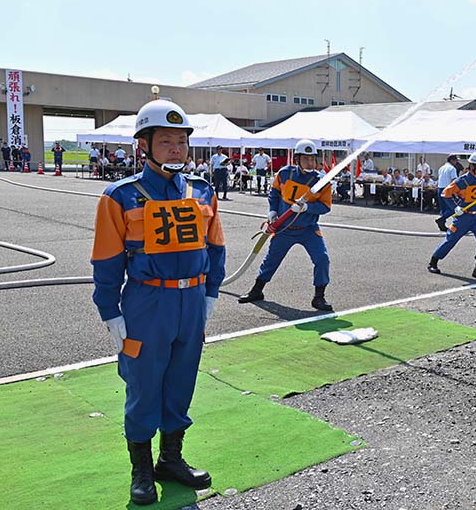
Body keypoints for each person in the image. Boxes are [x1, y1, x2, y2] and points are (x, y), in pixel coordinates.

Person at [90, 99, 225, 505]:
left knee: (182, 381)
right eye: (165, 141)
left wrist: (211, 293)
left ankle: (171, 458)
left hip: (191, 300)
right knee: (144, 386)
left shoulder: (202, 190)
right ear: (142, 146)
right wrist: (110, 311)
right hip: (148, 303)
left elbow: (215, 246)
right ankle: (142, 470)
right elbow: (107, 260)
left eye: (181, 141)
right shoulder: (121, 197)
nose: (176, 149)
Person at [238, 139, 333, 312]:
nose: (310, 162)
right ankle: (257, 290)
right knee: (271, 260)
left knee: (322, 259)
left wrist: (307, 207)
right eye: (306, 159)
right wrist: (272, 212)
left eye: (313, 159)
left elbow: (326, 207)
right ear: (297, 159)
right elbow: (274, 193)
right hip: (284, 229)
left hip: (308, 229)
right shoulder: (284, 173)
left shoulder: (321, 181)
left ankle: (319, 297)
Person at [428, 152, 476, 280]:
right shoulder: (462, 181)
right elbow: (445, 193)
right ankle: (433, 262)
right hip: (463, 217)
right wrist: (455, 208)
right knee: (450, 241)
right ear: (472, 166)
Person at [435, 154, 461, 231]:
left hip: (440, 188)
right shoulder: (452, 169)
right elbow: (454, 181)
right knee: (453, 208)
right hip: (448, 190)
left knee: (443, 209)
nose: (456, 162)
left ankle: (442, 224)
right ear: (452, 160)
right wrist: (456, 192)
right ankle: (441, 220)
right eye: (456, 160)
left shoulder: (441, 168)